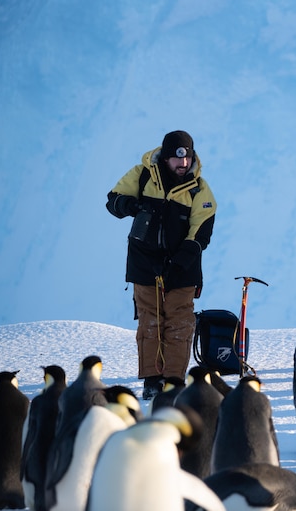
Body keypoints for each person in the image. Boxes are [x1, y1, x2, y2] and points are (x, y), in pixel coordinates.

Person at [106, 130, 217, 399]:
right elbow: (113, 201)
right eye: (177, 159)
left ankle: (174, 383)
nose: (183, 164)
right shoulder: (142, 175)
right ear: (165, 158)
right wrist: (130, 204)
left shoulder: (199, 189)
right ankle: (152, 380)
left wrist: (180, 262)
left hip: (182, 268)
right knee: (150, 322)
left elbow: (200, 233)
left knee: (179, 322)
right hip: (144, 264)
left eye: (187, 158)